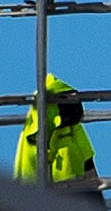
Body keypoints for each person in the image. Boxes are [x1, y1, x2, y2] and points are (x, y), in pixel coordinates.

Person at [15, 74, 105, 202]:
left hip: (70, 197)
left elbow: (88, 165)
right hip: (43, 201)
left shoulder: (73, 129)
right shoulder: (32, 137)